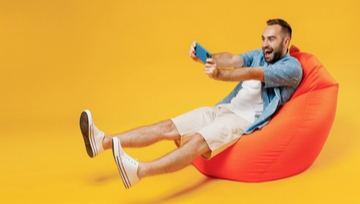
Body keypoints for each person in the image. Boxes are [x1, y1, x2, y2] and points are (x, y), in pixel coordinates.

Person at [79, 19, 303, 189]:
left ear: (285, 41)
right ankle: (102, 142)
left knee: (197, 141)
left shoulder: (291, 67)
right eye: (263, 38)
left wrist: (219, 75)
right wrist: (207, 57)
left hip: (242, 121)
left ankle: (139, 171)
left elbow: (254, 73)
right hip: (223, 108)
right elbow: (234, 59)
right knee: (168, 127)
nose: (265, 44)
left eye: (271, 40)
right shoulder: (260, 53)